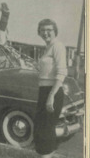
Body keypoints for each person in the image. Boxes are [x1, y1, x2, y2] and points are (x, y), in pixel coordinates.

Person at [33, 19, 67, 158]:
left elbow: (62, 72)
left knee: (44, 130)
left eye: (49, 30)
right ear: (39, 32)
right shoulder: (48, 47)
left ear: (55, 31)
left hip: (52, 92)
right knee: (44, 130)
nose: (45, 33)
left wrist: (51, 96)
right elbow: (48, 72)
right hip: (45, 91)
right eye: (42, 30)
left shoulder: (58, 46)